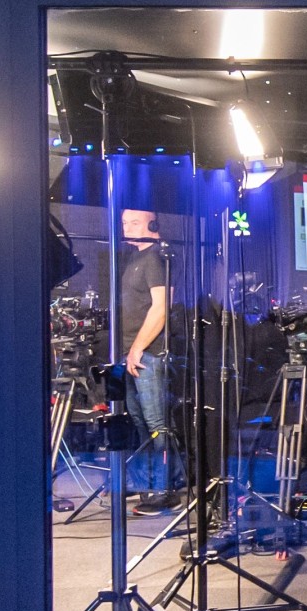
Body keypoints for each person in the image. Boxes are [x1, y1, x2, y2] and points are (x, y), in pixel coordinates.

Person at [116, 206, 174, 493]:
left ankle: (164, 486)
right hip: (133, 352)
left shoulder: (155, 257)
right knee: (139, 420)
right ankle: (147, 481)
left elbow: (161, 307)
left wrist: (138, 348)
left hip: (147, 353)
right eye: (125, 222)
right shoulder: (135, 257)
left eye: (135, 222)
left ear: (153, 225)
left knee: (155, 422)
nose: (127, 228)